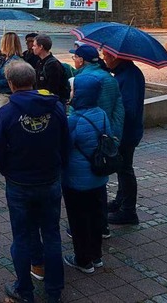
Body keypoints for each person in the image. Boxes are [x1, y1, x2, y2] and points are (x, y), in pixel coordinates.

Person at [0, 60, 69, 303]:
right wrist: (57, 168)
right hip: (49, 181)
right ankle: (54, 292)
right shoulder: (55, 108)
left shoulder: (6, 113)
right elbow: (66, 143)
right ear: (33, 81)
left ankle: (24, 290)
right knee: (52, 235)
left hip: (20, 184)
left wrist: (9, 172)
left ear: (11, 84)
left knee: (22, 237)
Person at [67, 44, 124, 239]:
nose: (73, 60)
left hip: (85, 142)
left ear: (81, 60)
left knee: (84, 194)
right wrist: (113, 138)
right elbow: (118, 108)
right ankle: (102, 227)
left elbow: (76, 111)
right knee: (100, 188)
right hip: (104, 136)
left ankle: (84, 235)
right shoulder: (109, 78)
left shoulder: (83, 80)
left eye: (74, 57)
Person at [62, 74, 111, 274]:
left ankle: (83, 260)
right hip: (98, 176)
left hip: (76, 180)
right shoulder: (101, 114)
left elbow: (64, 148)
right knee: (96, 215)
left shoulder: (74, 120)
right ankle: (96, 255)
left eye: (74, 90)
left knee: (79, 219)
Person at [103, 50, 145, 225]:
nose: (104, 58)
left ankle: (128, 211)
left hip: (126, 133)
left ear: (115, 57)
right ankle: (120, 201)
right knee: (122, 168)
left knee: (125, 169)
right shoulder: (124, 73)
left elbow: (129, 110)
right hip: (125, 131)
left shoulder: (129, 77)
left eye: (105, 55)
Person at [32, 34, 69, 104]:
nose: (32, 48)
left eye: (34, 46)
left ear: (41, 47)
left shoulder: (53, 65)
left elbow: (53, 89)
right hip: (42, 100)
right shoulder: (39, 62)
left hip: (51, 103)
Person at [0, 32, 23, 107]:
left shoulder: (14, 60)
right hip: (2, 94)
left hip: (8, 95)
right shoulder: (6, 58)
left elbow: (12, 80)